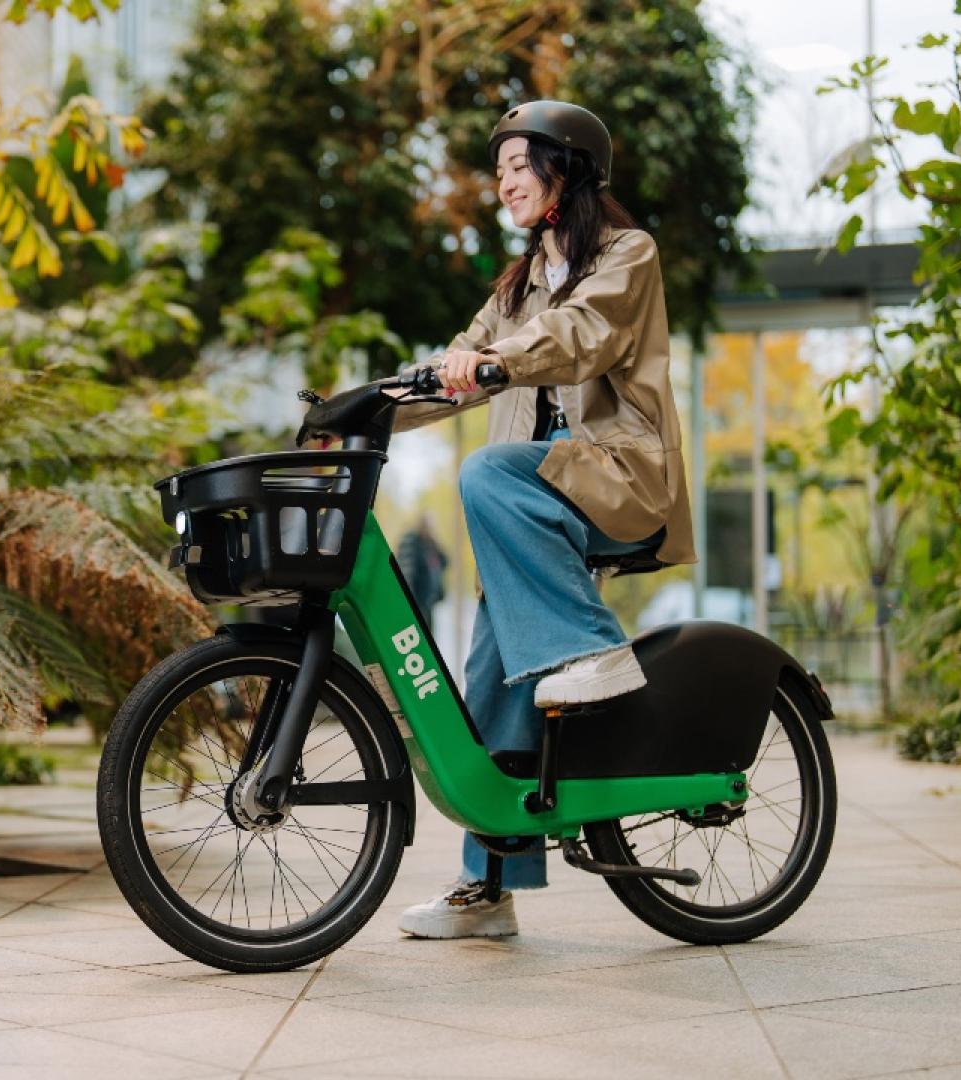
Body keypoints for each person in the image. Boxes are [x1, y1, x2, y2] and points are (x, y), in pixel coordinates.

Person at [390, 101, 696, 940]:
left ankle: (591, 648)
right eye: (500, 172)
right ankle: (488, 887)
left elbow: (582, 334)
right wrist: (363, 414)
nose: (506, 182)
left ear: (568, 168)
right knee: (491, 676)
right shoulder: (515, 286)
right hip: (538, 506)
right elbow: (453, 366)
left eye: (520, 165)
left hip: (616, 479)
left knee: (486, 469)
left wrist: (494, 360)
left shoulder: (627, 256)